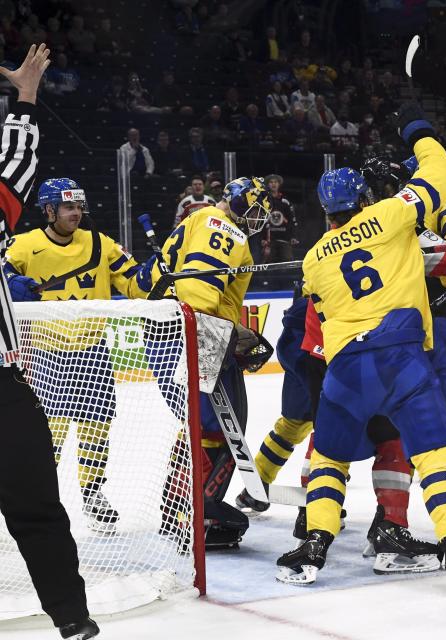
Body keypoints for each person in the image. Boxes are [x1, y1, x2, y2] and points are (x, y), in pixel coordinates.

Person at [284, 103, 446, 626]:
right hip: (402, 357)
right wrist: (418, 130)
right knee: (436, 453)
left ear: (326, 212)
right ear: (366, 198)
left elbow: (321, 315)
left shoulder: (312, 258)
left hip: (345, 369)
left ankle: (315, 544)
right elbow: (439, 171)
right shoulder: (393, 216)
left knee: (328, 460)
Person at [0, 43, 100, 640]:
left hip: (7, 389)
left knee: (38, 511)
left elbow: (12, 168)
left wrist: (28, 97)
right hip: (4, 389)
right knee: (39, 513)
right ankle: (71, 617)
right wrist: (27, 96)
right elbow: (15, 163)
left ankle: (71, 618)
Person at [5, 177, 147, 534]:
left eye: (79, 206)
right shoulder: (23, 246)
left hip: (93, 351)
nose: (76, 213)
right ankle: (37, 497)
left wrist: (154, 274)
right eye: (68, 207)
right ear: (49, 210)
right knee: (46, 434)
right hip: (44, 354)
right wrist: (7, 284)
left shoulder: (100, 243)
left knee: (96, 428)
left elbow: (134, 283)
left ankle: (93, 492)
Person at [141, 176, 273, 550]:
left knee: (197, 424)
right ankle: (201, 511)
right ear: (233, 203)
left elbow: (143, 281)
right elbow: (199, 290)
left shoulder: (193, 223)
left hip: (167, 329)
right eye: (250, 209)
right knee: (222, 425)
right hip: (194, 330)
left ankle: (176, 507)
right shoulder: (222, 227)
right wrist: (215, 336)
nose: (253, 219)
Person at [262, 174, 299, 263]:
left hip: (284, 240)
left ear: (279, 184)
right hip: (269, 242)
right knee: (267, 265)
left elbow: (293, 221)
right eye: (271, 182)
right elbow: (260, 221)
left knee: (288, 263)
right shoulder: (263, 202)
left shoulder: (285, 202)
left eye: (276, 182)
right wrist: (262, 238)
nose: (273, 184)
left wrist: (293, 236)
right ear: (268, 184)